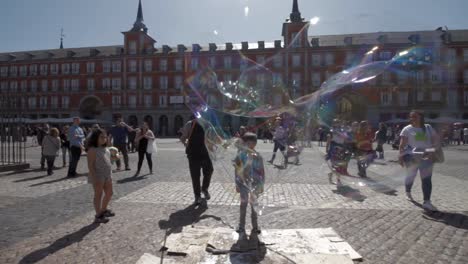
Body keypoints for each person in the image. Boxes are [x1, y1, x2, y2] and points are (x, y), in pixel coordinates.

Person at [399, 110, 439, 211]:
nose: (412, 119)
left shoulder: (428, 127)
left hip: (426, 157)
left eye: (415, 116)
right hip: (411, 157)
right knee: (410, 177)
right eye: (411, 117)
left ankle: (427, 201)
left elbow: (435, 142)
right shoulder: (407, 129)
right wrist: (400, 156)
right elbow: (402, 144)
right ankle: (408, 191)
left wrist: (430, 152)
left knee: (426, 179)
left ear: (421, 117)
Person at [233, 132, 265, 237]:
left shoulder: (258, 156)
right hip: (243, 183)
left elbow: (261, 171)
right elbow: (236, 170)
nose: (252, 144)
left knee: (254, 205)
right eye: (249, 143)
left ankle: (255, 227)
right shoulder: (240, 155)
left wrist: (262, 184)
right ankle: (241, 226)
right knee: (243, 204)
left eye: (253, 142)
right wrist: (237, 183)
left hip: (255, 184)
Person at [180, 117, 214, 205]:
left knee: (209, 170)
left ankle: (204, 188)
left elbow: (211, 138)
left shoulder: (207, 124)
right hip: (193, 154)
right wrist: (185, 143)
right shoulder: (190, 124)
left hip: (205, 153)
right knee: (195, 175)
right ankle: (197, 196)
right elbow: (183, 138)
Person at [86, 128, 115, 224]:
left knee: (110, 193)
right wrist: (95, 177)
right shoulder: (92, 150)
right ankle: (98, 215)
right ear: (95, 138)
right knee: (98, 195)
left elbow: (108, 160)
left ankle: (103, 209)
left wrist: (115, 157)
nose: (104, 139)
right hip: (98, 175)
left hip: (107, 174)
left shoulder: (106, 149)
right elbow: (90, 165)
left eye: (105, 137)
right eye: (101, 137)